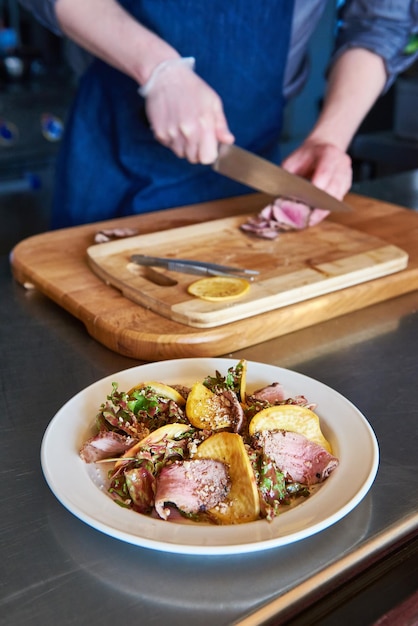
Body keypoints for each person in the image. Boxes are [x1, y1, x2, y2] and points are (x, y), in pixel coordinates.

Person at [18, 0, 418, 228]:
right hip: (108, 149)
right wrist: (158, 68)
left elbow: (383, 22)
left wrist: (329, 138)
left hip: (245, 159)